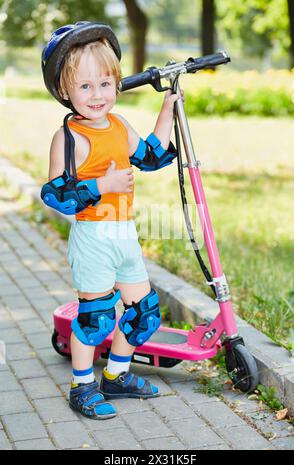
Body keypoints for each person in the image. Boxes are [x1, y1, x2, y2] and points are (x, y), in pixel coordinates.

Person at [41, 21, 181, 420]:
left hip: (123, 234)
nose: (97, 95)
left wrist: (167, 109)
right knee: (97, 317)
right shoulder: (69, 137)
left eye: (105, 83)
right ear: (64, 91)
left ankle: (116, 377)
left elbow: (151, 156)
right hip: (93, 238)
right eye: (85, 87)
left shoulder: (119, 125)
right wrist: (102, 184)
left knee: (143, 314)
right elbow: (56, 196)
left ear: (117, 83)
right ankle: (82, 385)